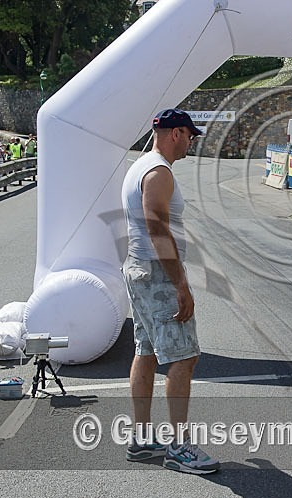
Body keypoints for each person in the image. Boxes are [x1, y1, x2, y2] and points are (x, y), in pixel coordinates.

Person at [120, 108, 217, 474]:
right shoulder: (158, 172)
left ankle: (142, 438)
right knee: (184, 357)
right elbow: (157, 230)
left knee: (145, 350)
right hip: (158, 273)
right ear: (176, 133)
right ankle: (179, 447)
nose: (191, 142)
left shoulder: (141, 166)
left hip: (140, 268)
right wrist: (181, 284)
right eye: (189, 135)